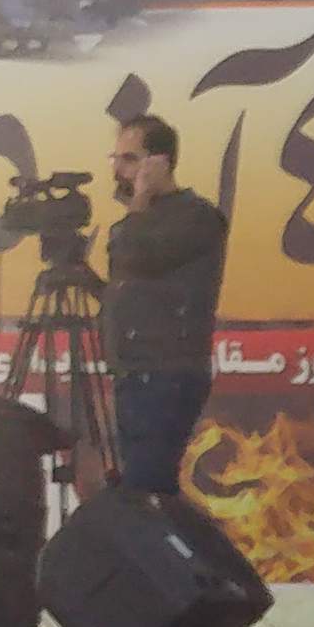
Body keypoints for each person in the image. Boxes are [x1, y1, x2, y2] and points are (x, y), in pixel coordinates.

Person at [103, 113, 225, 501]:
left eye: (130, 159)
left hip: (167, 375)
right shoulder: (132, 223)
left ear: (160, 162)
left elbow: (142, 258)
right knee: (144, 488)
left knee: (145, 489)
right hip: (132, 372)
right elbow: (123, 284)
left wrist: (139, 201)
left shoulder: (197, 217)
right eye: (116, 158)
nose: (119, 170)